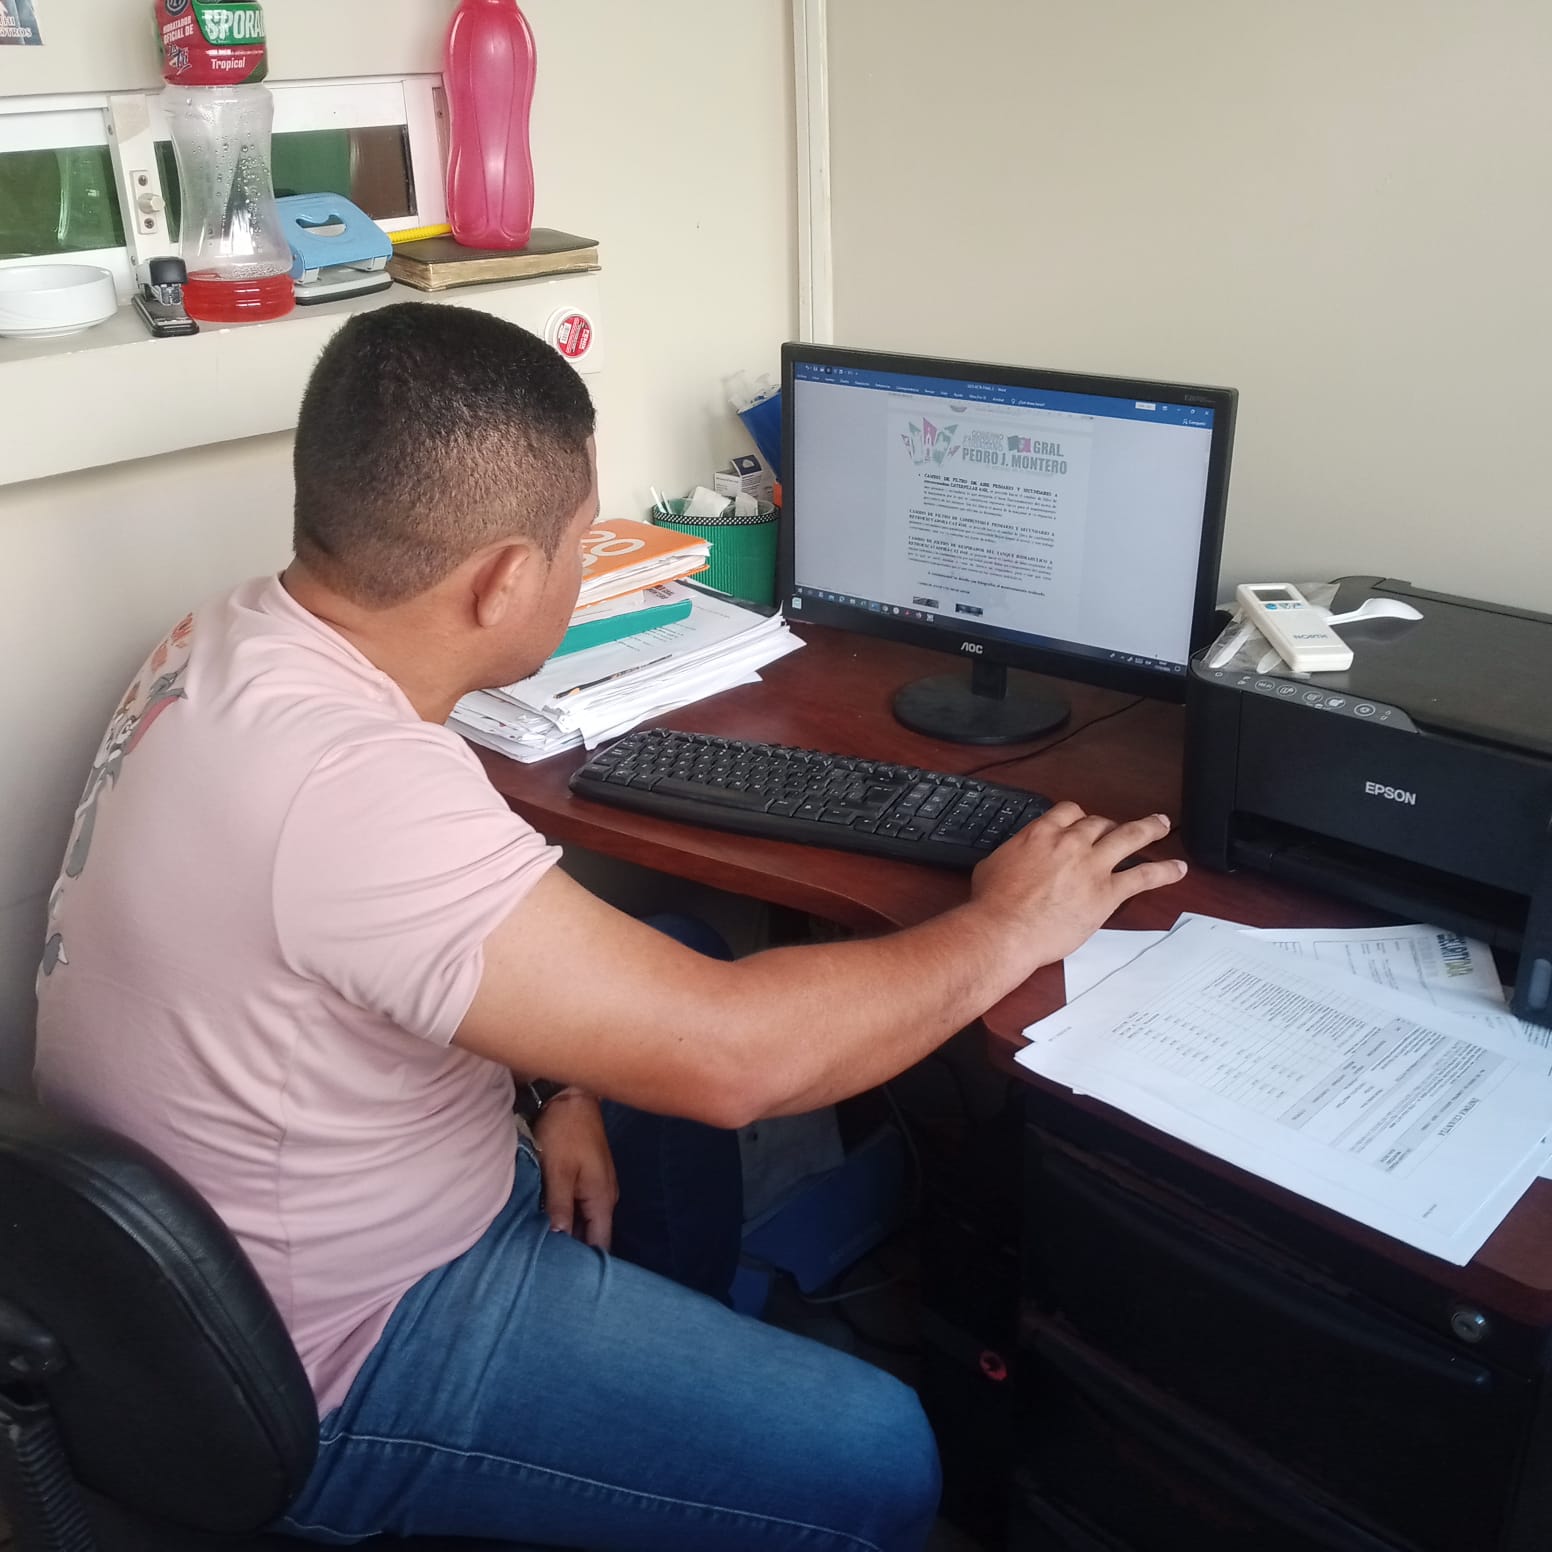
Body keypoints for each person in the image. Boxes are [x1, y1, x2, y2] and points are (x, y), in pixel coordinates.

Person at [34, 303, 1185, 1551]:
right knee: (880, 1448)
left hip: (213, 1269)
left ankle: (660, 1400)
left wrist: (553, 1083)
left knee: (677, 952)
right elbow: (736, 1061)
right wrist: (1012, 923)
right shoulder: (344, 784)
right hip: (328, 1362)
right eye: (583, 542)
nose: (589, 566)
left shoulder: (235, 637)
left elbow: (393, 953)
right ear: (503, 580)